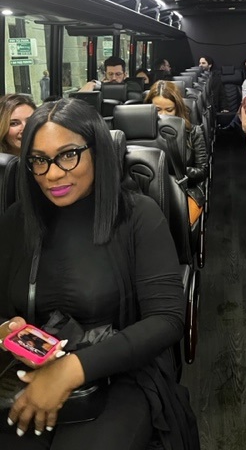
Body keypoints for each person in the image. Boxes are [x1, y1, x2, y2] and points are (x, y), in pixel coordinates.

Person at [0, 98, 199, 449]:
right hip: (31, 369)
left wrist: (70, 371)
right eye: (39, 160)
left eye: (68, 155)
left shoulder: (138, 215)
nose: (53, 173)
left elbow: (166, 319)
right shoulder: (16, 222)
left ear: (97, 151)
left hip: (122, 373)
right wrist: (6, 329)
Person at [145, 80, 208, 225]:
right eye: (157, 110)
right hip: (148, 192)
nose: (163, 115)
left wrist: (174, 170)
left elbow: (201, 171)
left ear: (177, 109)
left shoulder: (193, 132)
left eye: (169, 110)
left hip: (186, 190)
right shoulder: (140, 134)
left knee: (179, 222)